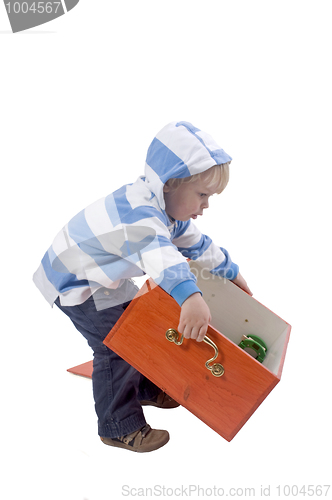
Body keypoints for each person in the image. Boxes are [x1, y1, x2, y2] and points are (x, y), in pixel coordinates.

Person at [33, 121, 252, 453]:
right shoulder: (141, 215)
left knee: (139, 328)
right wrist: (190, 297)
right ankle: (118, 425)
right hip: (75, 280)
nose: (205, 205)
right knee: (117, 345)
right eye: (203, 195)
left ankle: (145, 387)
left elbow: (197, 245)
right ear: (170, 184)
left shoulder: (171, 213)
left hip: (101, 275)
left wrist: (230, 271)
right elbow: (164, 258)